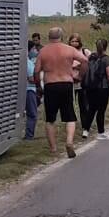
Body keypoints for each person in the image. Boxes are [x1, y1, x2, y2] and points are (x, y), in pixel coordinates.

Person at [34, 27, 87, 158]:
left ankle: (53, 148)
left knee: (50, 119)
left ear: (48, 37)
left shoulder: (43, 51)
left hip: (50, 84)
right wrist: (80, 76)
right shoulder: (69, 49)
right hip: (66, 84)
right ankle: (69, 142)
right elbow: (85, 61)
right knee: (70, 116)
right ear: (62, 37)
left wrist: (38, 86)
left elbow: (36, 71)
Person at [81, 38, 109, 140]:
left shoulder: (91, 56)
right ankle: (101, 133)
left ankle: (85, 130)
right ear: (106, 46)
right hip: (102, 88)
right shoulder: (106, 59)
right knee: (101, 110)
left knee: (91, 109)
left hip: (90, 87)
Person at [68, 34, 93, 138]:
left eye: (76, 41)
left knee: (83, 106)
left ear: (80, 42)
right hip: (69, 82)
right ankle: (70, 127)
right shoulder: (66, 52)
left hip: (82, 83)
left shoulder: (85, 52)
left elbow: (90, 64)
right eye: (72, 41)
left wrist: (79, 67)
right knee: (69, 106)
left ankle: (85, 128)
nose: (74, 43)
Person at [24, 42, 40, 140]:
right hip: (29, 90)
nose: (35, 51)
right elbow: (31, 78)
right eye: (33, 49)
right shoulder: (28, 63)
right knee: (32, 114)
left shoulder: (27, 61)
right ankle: (29, 136)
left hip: (27, 89)